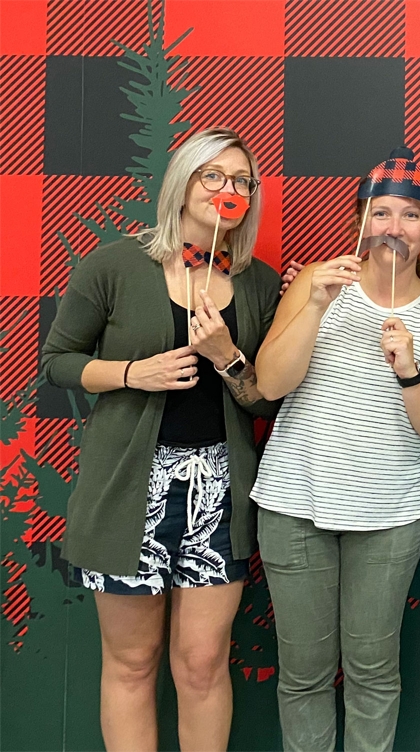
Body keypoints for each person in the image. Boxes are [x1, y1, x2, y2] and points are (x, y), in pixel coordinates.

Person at [41, 127, 280, 751]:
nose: (228, 190)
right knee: (132, 663)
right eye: (214, 176)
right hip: (128, 491)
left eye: (241, 182)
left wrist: (229, 359)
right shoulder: (118, 265)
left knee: (202, 665)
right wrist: (130, 374)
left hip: (220, 494)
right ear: (183, 183)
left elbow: (266, 399)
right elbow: (59, 361)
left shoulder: (257, 282)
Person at [251, 147, 420, 752]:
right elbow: (269, 384)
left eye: (409, 215)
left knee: (374, 673)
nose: (392, 228)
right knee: (303, 676)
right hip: (296, 504)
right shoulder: (316, 285)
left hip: (389, 515)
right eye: (380, 213)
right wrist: (316, 303)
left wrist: (408, 373)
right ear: (360, 220)